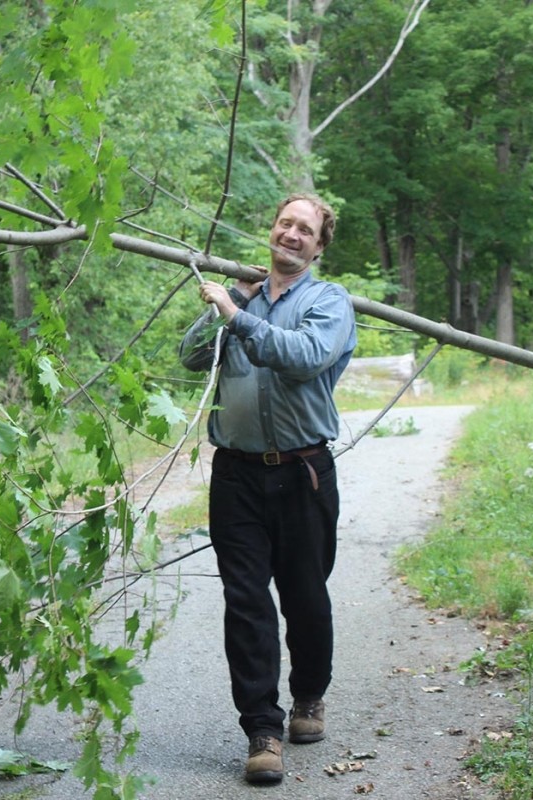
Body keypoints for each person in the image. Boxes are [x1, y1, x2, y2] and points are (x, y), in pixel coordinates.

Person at [178, 193, 357, 785]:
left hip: (303, 472)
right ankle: (262, 729)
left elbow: (302, 358)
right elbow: (190, 357)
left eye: (305, 229)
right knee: (247, 601)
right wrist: (222, 308)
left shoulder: (328, 302)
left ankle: (308, 696)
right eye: (285, 223)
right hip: (236, 474)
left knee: (304, 593)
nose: (292, 234)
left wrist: (236, 314)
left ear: (318, 245)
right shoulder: (244, 296)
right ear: (272, 230)